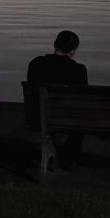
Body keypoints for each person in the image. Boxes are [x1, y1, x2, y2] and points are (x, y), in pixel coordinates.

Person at [26, 30, 88, 168]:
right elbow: (82, 99)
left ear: (54, 44)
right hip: (66, 118)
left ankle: (58, 152)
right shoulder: (78, 70)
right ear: (73, 51)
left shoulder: (36, 64)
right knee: (81, 117)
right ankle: (69, 158)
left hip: (37, 117)